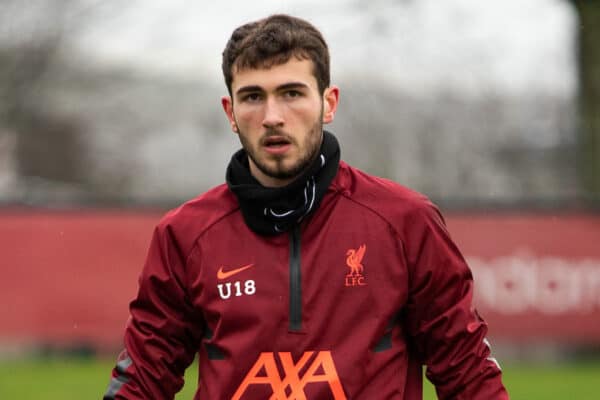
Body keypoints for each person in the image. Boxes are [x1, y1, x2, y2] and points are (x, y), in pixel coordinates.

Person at [104, 14, 508, 400]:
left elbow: (465, 369)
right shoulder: (186, 235)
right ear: (231, 113)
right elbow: (143, 376)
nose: (272, 117)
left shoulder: (405, 221)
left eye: (291, 93)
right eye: (252, 97)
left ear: (328, 104)